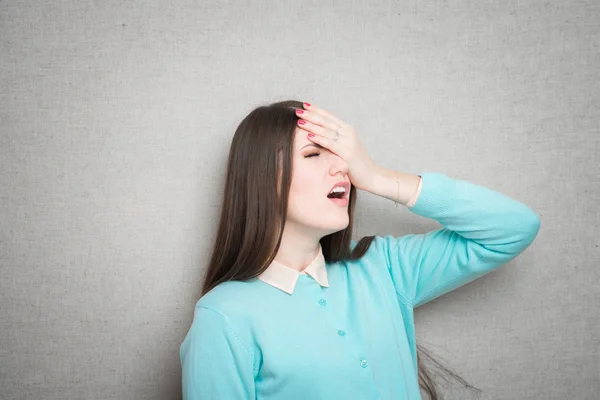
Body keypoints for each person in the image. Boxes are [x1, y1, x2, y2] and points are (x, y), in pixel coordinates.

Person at [179, 100, 541, 399]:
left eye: (342, 155)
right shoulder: (223, 316)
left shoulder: (383, 267)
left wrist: (378, 177)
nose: (343, 167)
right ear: (263, 179)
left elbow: (513, 228)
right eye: (313, 154)